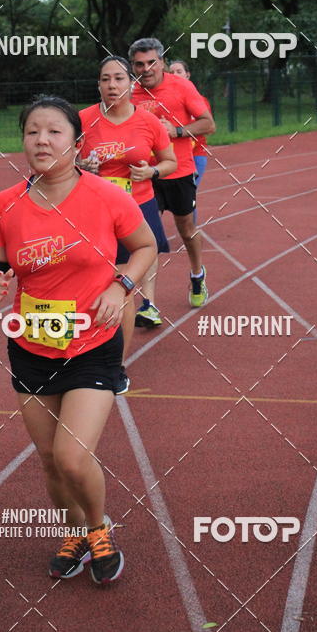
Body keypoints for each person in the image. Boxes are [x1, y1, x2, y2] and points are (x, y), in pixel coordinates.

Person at [0, 95, 156, 584]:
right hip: (31, 344)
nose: (42, 140)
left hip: (92, 344)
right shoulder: (5, 203)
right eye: (32, 131)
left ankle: (98, 530)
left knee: (72, 456)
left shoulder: (106, 196)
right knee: (50, 462)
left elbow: (145, 247)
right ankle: (74, 534)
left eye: (54, 131)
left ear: (76, 143)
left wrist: (121, 286)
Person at [79, 56, 177, 388]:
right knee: (90, 285)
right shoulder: (83, 120)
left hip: (137, 210)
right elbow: (62, 163)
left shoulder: (148, 122)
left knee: (122, 288)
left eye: (119, 78)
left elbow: (169, 161)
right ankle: (83, 352)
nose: (112, 85)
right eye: (105, 79)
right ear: (98, 85)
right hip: (94, 212)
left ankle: (116, 365)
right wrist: (81, 167)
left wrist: (151, 171)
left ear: (131, 84)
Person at [129, 38, 216, 307]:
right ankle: (149, 304)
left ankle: (197, 274)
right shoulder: (128, 92)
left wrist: (176, 131)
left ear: (162, 62)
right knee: (147, 236)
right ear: (132, 66)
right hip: (145, 175)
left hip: (179, 171)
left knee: (186, 230)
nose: (146, 69)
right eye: (139, 64)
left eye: (151, 62)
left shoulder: (181, 86)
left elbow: (208, 125)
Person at [169, 59, 212, 222]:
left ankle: (190, 231)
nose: (175, 75)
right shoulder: (165, 100)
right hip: (172, 155)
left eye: (179, 71)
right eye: (171, 72)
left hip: (196, 155)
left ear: (187, 75)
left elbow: (209, 127)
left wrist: (180, 130)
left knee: (188, 195)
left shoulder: (200, 100)